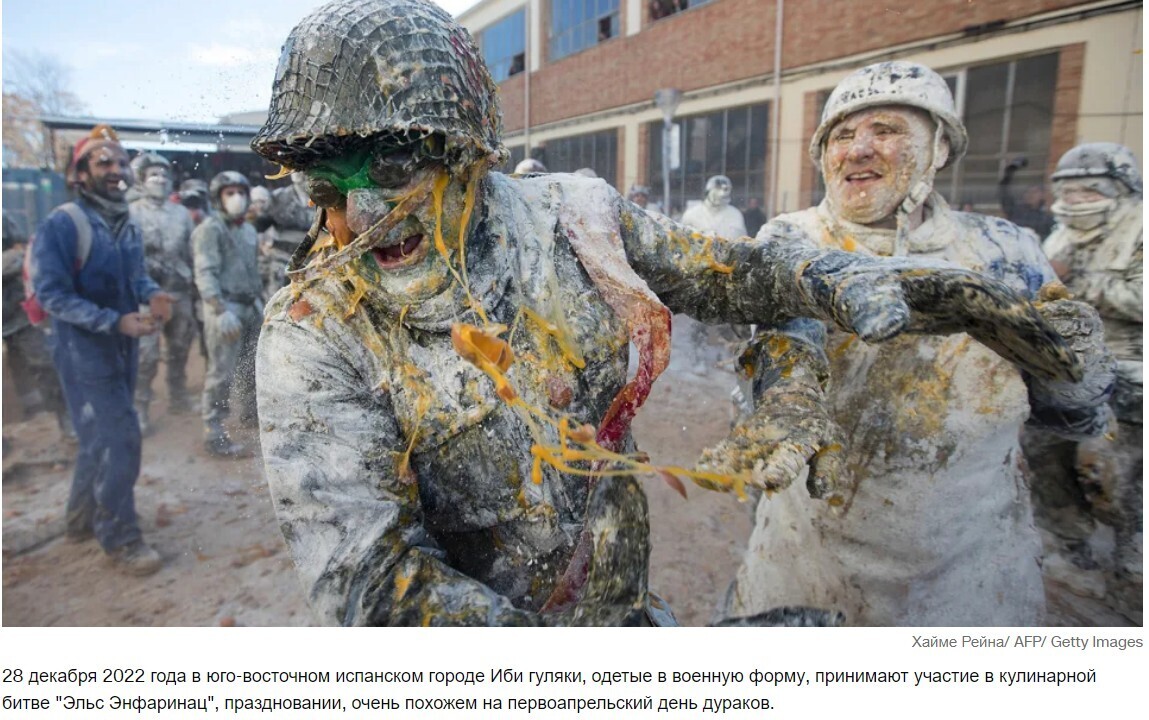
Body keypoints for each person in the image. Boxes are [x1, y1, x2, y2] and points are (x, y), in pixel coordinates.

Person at [250, 0, 1081, 627]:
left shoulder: (573, 218)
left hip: (624, 607)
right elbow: (368, 582)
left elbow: (723, 276)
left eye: (391, 171)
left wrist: (823, 280)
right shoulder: (314, 331)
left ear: (467, 157)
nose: (354, 223)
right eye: (322, 187)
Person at [708, 61, 1114, 627]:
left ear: (939, 148)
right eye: (842, 136)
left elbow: (1071, 415)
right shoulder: (793, 238)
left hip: (971, 564)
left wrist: (1079, 367)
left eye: (888, 130)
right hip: (809, 551)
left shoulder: (1005, 252)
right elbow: (781, 345)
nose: (858, 150)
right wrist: (788, 396)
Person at [29, 125, 173, 575]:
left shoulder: (124, 222)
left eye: (120, 161)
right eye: (102, 161)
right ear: (80, 173)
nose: (115, 169)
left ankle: (79, 520)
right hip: (82, 349)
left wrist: (154, 295)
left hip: (121, 347)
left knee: (97, 437)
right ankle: (120, 537)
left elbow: (137, 278)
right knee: (122, 437)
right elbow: (51, 295)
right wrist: (114, 320)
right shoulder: (63, 223)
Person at [1034, 142, 1142, 623]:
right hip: (1065, 370)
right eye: (1068, 190)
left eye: (1086, 190)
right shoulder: (1060, 236)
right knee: (1043, 454)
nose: (1075, 200)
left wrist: (1080, 281)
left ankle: (1132, 569)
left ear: (1118, 191)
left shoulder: (1139, 232)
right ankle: (1070, 542)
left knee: (1121, 480)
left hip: (1132, 373)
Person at [193, 171, 263, 458]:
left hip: (250, 305)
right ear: (218, 198)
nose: (237, 198)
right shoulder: (210, 230)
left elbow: (253, 269)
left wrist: (259, 300)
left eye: (240, 192)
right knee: (221, 371)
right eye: (229, 193)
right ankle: (214, 429)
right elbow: (205, 271)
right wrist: (218, 309)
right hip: (225, 308)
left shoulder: (248, 230)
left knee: (251, 365)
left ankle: (249, 414)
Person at [128, 154, 199, 431]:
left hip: (179, 292)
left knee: (180, 347)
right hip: (146, 296)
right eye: (153, 175)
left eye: (164, 175)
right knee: (146, 354)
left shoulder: (181, 214)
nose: (159, 179)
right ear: (143, 181)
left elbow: (191, 251)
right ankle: (140, 407)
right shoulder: (132, 212)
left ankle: (178, 396)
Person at [3, 212, 69, 435]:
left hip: (14, 309)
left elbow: (22, 250)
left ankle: (63, 419)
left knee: (43, 362)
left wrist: (7, 262)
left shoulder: (3, 217)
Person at [1000, 156, 1055, 240]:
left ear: (1042, 195)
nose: (1031, 195)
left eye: (1035, 192)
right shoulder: (1015, 210)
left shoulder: (1047, 219)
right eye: (1028, 192)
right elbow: (1003, 192)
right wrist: (1010, 171)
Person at [681, 175, 747, 238]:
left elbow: (742, 242)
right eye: (717, 188)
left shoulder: (735, 214)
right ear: (708, 191)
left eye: (726, 189)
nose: (722, 193)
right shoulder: (691, 214)